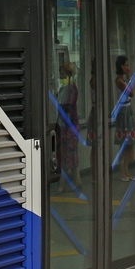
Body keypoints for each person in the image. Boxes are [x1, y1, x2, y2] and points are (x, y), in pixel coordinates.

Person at [55, 62, 81, 191]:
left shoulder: (72, 88)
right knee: (70, 153)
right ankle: (77, 180)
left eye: (62, 72)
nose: (60, 75)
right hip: (65, 125)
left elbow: (68, 105)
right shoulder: (63, 88)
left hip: (70, 125)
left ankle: (62, 183)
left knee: (68, 154)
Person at [113, 56, 135, 181]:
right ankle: (122, 172)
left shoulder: (123, 80)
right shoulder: (119, 81)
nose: (128, 67)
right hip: (123, 111)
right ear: (121, 66)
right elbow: (131, 92)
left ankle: (127, 171)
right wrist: (129, 77)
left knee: (129, 144)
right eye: (126, 65)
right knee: (123, 143)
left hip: (128, 109)